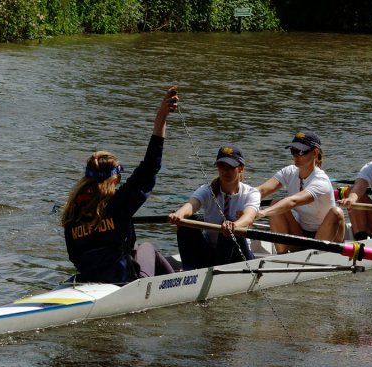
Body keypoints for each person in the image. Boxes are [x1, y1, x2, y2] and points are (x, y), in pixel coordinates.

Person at [61, 87, 178, 283]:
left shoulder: (71, 210)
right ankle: (178, 285)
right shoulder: (119, 203)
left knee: (133, 250)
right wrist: (161, 117)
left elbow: (74, 256)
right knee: (147, 247)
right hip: (122, 279)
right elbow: (150, 167)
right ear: (114, 180)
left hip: (88, 278)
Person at [168, 145, 261, 269]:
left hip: (239, 256)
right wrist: (178, 215)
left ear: (241, 169)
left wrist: (235, 225)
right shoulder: (207, 190)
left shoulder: (251, 193)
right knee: (187, 222)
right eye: (221, 166)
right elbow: (191, 205)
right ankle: (188, 271)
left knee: (228, 226)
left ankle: (217, 275)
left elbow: (249, 216)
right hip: (211, 253)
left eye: (230, 167)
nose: (224, 171)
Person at [255, 132, 345, 253]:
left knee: (336, 212)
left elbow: (293, 201)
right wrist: (238, 200)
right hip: (301, 233)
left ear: (315, 153)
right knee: (275, 203)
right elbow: (261, 190)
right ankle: (282, 256)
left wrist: (261, 213)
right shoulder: (289, 172)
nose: (296, 156)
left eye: (301, 152)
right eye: (293, 151)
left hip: (328, 234)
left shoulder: (320, 180)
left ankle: (317, 255)